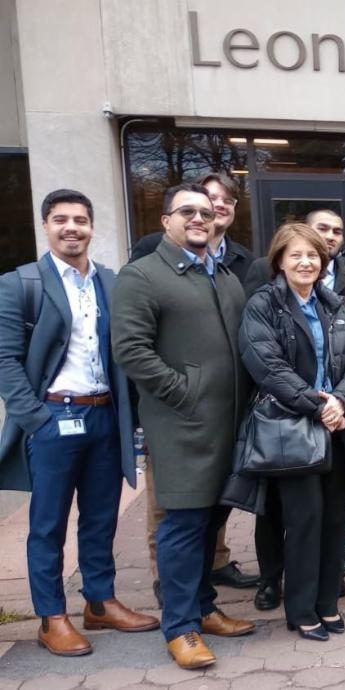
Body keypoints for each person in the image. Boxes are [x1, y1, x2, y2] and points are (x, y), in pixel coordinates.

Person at [0, 189, 159, 656]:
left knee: (101, 517)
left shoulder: (111, 281)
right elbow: (5, 359)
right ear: (45, 226)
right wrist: (37, 420)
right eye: (61, 219)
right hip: (53, 417)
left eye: (80, 220)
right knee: (48, 524)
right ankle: (51, 617)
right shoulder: (19, 284)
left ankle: (100, 602)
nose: (72, 228)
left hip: (104, 416)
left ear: (92, 227)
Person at [112, 183, 255, 669]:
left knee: (212, 521)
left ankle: (204, 608)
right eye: (187, 211)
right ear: (166, 221)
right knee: (184, 525)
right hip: (181, 426)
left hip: (228, 424)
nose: (199, 218)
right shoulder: (143, 276)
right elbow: (131, 350)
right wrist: (183, 391)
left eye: (206, 212)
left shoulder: (223, 276)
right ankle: (180, 627)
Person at [236, 223, 345, 641]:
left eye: (313, 255)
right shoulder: (263, 304)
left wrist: (340, 401)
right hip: (291, 426)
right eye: (296, 254)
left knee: (335, 518)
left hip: (337, 426)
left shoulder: (333, 304)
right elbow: (267, 365)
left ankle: (327, 603)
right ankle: (300, 609)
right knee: (303, 520)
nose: (305, 262)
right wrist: (319, 405)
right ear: (279, 260)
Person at [244, 209, 345, 296]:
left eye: (337, 232)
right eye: (322, 229)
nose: (330, 236)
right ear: (306, 230)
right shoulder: (263, 269)